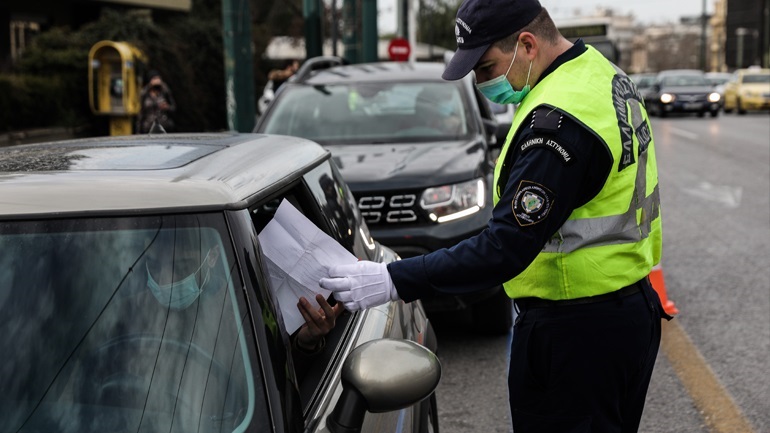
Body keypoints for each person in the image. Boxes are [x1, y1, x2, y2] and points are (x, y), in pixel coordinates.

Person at [319, 0, 672, 432]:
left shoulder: (558, 124)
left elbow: (504, 247)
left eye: (486, 67)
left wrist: (393, 280)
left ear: (526, 44)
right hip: (624, 312)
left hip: (575, 333)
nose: (482, 82)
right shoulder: (599, 74)